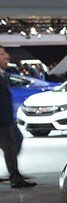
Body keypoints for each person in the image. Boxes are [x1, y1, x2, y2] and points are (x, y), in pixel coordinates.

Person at [0, 48, 35, 188]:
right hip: (3, 121)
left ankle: (15, 174)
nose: (6, 56)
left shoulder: (3, 74)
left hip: (7, 119)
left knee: (16, 141)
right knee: (10, 147)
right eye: (1, 54)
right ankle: (15, 177)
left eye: (4, 53)